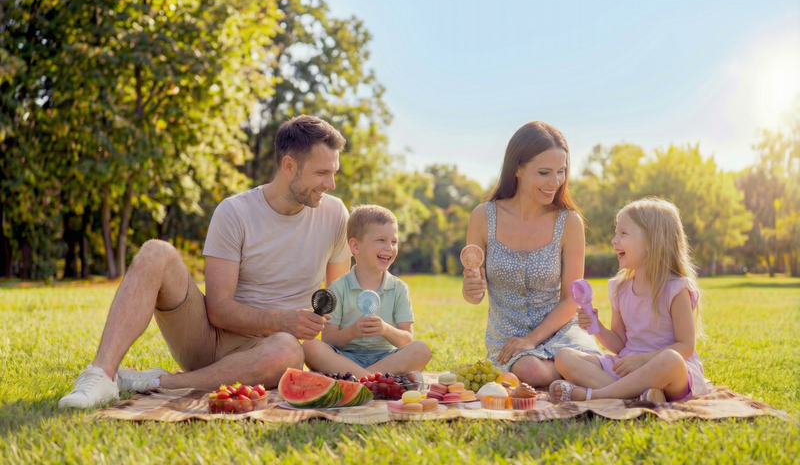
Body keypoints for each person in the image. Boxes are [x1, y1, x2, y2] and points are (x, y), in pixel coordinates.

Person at [59, 115, 352, 409]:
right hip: (208, 340)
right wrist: (282, 320)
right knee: (155, 251)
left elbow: (335, 305)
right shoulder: (235, 212)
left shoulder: (335, 215)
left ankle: (155, 383)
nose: (332, 183)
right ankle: (101, 375)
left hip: (267, 351)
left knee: (288, 351)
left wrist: (351, 367)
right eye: (322, 173)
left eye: (334, 171)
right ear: (289, 166)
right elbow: (219, 310)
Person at [462, 121, 599, 387]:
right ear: (517, 169)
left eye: (561, 172)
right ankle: (587, 380)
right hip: (509, 340)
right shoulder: (483, 217)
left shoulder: (569, 222)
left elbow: (571, 299)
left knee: (586, 358)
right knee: (529, 371)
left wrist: (533, 339)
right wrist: (471, 289)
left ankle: (586, 376)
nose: (555, 182)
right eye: (545, 172)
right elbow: (474, 295)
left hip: (561, 331)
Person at [550, 197, 708, 403]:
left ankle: (599, 395)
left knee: (671, 360)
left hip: (667, 372)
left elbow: (686, 346)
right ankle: (639, 396)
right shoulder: (620, 288)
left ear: (652, 242)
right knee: (564, 357)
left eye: (623, 233)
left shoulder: (676, 288)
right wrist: (597, 328)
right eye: (616, 233)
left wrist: (642, 360)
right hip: (628, 365)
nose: (614, 240)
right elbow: (619, 344)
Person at [302, 205, 431, 378]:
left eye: (394, 241)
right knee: (310, 347)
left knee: (421, 349)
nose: (389, 248)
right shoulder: (338, 288)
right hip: (346, 358)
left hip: (386, 358)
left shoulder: (399, 288)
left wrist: (385, 329)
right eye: (381, 240)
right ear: (355, 246)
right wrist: (353, 331)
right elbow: (328, 340)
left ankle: (358, 379)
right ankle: (378, 379)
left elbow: (407, 340)